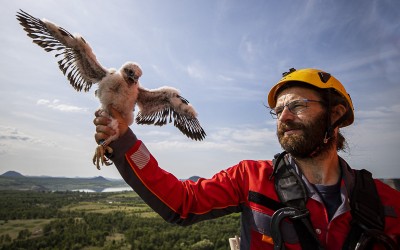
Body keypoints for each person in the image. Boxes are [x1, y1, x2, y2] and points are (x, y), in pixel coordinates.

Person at [93, 68, 400, 249]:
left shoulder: (387, 203)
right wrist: (125, 140)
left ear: (335, 114)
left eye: (297, 105)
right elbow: (181, 202)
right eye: (278, 110)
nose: (284, 117)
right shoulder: (250, 178)